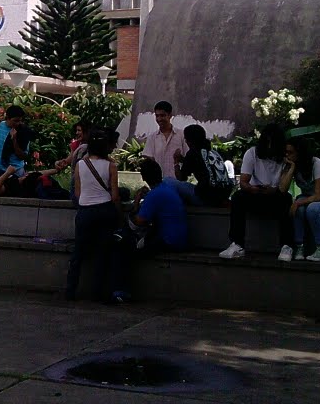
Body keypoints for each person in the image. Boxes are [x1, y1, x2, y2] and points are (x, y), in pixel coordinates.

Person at [115, 158, 189, 298]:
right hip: (179, 238)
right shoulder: (166, 188)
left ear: (143, 177)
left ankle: (122, 290)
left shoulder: (154, 195)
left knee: (124, 248)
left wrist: (136, 203)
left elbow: (138, 222)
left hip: (169, 240)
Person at [66, 127, 124, 303]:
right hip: (105, 210)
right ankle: (98, 292)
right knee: (102, 253)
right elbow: (114, 195)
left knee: (78, 254)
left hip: (85, 212)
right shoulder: (111, 166)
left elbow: (77, 192)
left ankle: (70, 290)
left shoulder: (80, 165)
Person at [219, 123, 294, 260]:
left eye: (273, 143)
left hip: (275, 196)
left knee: (286, 199)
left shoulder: (284, 159)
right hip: (255, 194)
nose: (270, 147)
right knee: (238, 197)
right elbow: (243, 182)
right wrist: (253, 189)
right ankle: (237, 244)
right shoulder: (252, 153)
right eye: (267, 142)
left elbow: (284, 188)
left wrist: (274, 189)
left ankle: (287, 245)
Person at [278, 137, 320, 262]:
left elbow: (318, 196)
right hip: (308, 197)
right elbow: (282, 189)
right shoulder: (293, 166)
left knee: (312, 209)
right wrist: (291, 169)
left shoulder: (316, 164)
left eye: (290, 152)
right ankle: (299, 246)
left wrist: (298, 202)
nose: (287, 155)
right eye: (286, 152)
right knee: (299, 210)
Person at [164, 124, 233, 206]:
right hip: (223, 195)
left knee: (167, 181)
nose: (185, 141)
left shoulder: (193, 153)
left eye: (186, 139)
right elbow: (198, 164)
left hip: (205, 198)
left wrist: (176, 162)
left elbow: (181, 178)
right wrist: (182, 159)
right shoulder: (213, 152)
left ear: (189, 141)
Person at [142, 101, 186, 181]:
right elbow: (149, 160)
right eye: (157, 116)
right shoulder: (152, 137)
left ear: (170, 115)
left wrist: (179, 159)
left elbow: (188, 158)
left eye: (162, 115)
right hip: (159, 182)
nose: (159, 119)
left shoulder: (181, 135)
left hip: (178, 182)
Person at [0, 105, 30, 177]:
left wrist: (14, 140)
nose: (18, 123)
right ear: (7, 118)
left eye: (20, 120)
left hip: (15, 172)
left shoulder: (23, 132)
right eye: (15, 121)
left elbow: (23, 156)